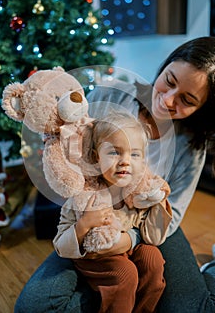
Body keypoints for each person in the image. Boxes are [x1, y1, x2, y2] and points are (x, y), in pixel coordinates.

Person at [14, 36, 215, 313]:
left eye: (187, 100)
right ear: (165, 67)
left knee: (194, 308)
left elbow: (173, 214)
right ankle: (124, 289)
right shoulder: (113, 95)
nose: (168, 100)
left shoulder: (191, 146)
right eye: (169, 81)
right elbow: (76, 166)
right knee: (32, 307)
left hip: (148, 226)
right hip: (94, 218)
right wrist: (86, 229)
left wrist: (129, 239)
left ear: (202, 109)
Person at [53, 111, 172, 313]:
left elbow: (154, 237)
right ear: (96, 158)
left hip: (129, 249)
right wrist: (84, 225)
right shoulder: (83, 196)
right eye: (115, 152)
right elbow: (60, 246)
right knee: (125, 272)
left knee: (152, 257)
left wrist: (160, 202)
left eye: (134, 154)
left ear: (143, 161)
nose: (125, 161)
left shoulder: (139, 194)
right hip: (96, 257)